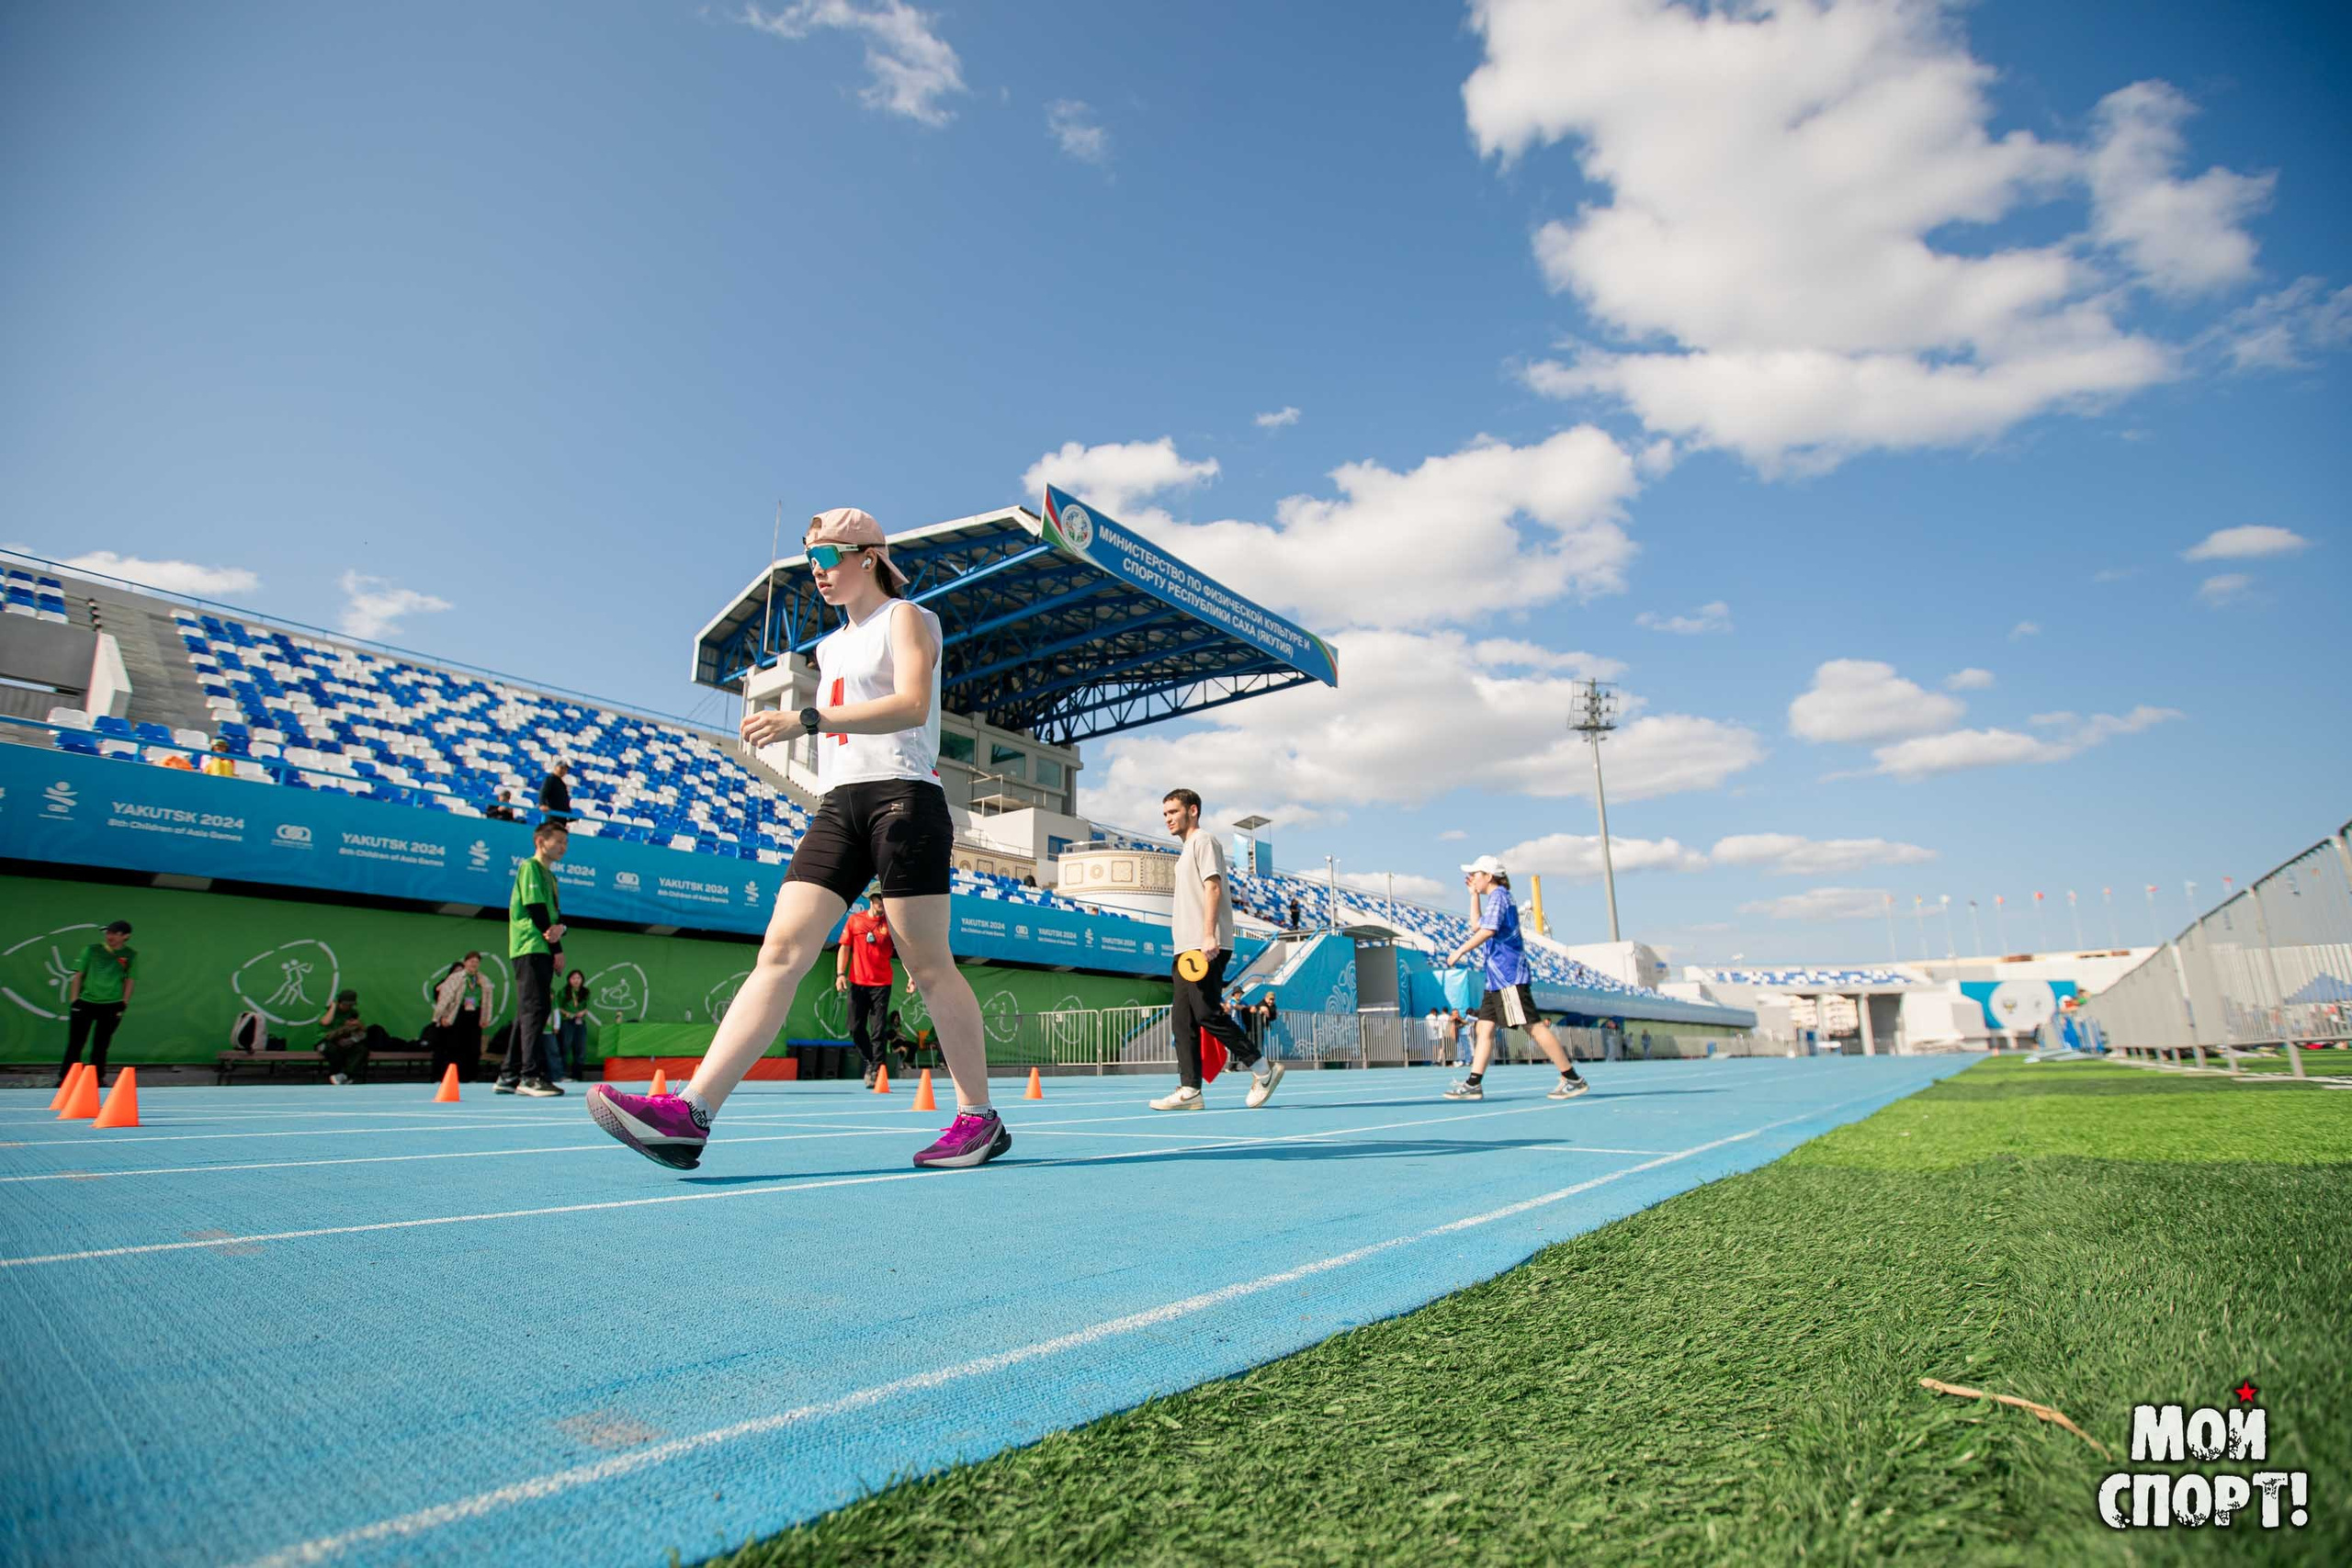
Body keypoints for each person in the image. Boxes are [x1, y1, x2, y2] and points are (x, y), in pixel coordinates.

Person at [589, 505, 1007, 1171]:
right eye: (810, 561)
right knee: (780, 949)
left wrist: (806, 719)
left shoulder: (907, 618)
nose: (817, 573)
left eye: (827, 559)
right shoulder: (830, 645)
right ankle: (691, 1114)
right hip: (839, 804)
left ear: (867, 554)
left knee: (927, 964)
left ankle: (977, 1116)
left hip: (905, 796)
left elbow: (911, 705)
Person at [1149, 788, 1282, 1111]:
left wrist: (1208, 935)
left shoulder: (1203, 841)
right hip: (1186, 948)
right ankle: (1190, 1088)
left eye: (1173, 812)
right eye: (1164, 813)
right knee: (1182, 1019)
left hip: (1204, 944)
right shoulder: (1184, 851)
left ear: (1192, 810)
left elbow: (1214, 886)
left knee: (1206, 1012)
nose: (1167, 818)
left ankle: (1263, 1070)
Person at [1443, 856, 1589, 1103]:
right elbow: (1476, 925)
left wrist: (1460, 951)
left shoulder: (1500, 896)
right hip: (1495, 979)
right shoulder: (1494, 899)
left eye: (1476, 874)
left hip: (1509, 976)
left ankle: (1572, 1077)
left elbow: (1487, 931)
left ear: (1489, 876)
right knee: (1484, 1027)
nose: (1472, 878)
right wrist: (1472, 895)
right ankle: (1473, 1084)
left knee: (1533, 1027)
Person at [499, 818, 569, 1097]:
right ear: (541, 842)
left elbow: (555, 917)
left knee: (529, 1010)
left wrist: (561, 932)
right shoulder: (530, 868)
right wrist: (556, 948)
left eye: (566, 843)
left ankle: (509, 1073)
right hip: (529, 946)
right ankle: (530, 1076)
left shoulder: (551, 876)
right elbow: (537, 910)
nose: (563, 847)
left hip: (541, 948)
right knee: (535, 1010)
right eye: (559, 842)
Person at [57, 919, 137, 1087]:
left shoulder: (130, 955)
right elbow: (79, 974)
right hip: (86, 1002)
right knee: (76, 1042)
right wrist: (74, 999)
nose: (110, 936)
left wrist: (124, 1001)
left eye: (116, 933)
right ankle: (66, 1078)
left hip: (112, 1004)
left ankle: (96, 1078)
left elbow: (130, 979)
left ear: (126, 936)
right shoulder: (91, 950)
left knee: (101, 1044)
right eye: (108, 932)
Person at [836, 891, 897, 1088]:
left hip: (882, 985)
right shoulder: (855, 921)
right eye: (879, 899)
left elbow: (905, 952)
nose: (882, 903)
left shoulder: (891, 924)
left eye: (885, 900)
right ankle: (872, 1060)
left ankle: (877, 1071)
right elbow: (844, 947)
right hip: (858, 983)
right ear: (871, 900)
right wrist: (840, 974)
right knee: (854, 1028)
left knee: (878, 1030)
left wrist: (912, 976)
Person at [430, 953, 490, 1084]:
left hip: (475, 1013)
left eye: (476, 962)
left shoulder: (483, 979)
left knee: (473, 1047)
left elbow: (488, 999)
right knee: (455, 1046)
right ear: (465, 962)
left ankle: (470, 1076)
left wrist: (486, 1017)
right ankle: (451, 1077)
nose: (474, 964)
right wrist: (442, 1016)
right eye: (471, 961)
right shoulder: (455, 977)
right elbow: (445, 997)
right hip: (458, 1013)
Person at [319, 989, 370, 1084]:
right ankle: (336, 1075)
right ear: (339, 1002)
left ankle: (345, 1075)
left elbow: (363, 1031)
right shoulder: (329, 1010)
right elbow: (325, 1022)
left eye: (351, 1005)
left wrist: (358, 1024)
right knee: (333, 1050)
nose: (348, 1007)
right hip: (326, 1041)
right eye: (346, 1004)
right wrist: (333, 1006)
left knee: (361, 1049)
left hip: (343, 1040)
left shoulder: (353, 1012)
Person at [553, 968, 592, 1080]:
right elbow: (558, 1007)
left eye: (578, 978)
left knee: (580, 1049)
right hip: (567, 1022)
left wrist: (582, 1012)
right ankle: (563, 1074)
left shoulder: (585, 992)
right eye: (573, 978)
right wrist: (569, 1014)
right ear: (569, 980)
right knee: (565, 1047)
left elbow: (587, 1007)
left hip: (580, 1023)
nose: (576, 980)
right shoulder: (563, 992)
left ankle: (578, 1075)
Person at [538, 760, 572, 824]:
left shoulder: (562, 784)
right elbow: (543, 793)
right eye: (561, 768)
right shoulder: (550, 779)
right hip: (552, 816)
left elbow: (563, 800)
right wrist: (542, 804)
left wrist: (569, 814)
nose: (563, 771)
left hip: (561, 818)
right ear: (555, 767)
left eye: (565, 769)